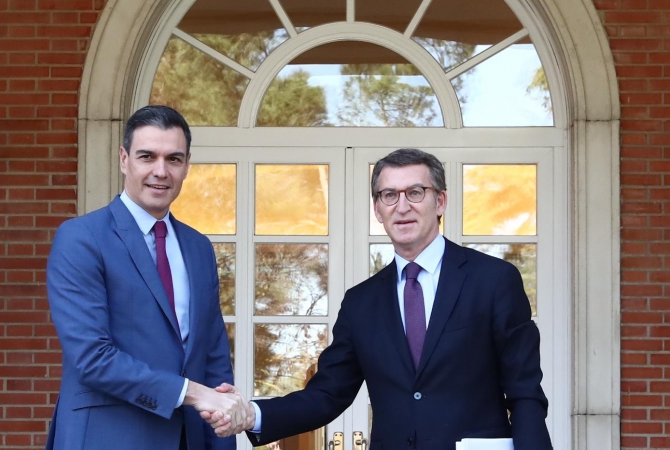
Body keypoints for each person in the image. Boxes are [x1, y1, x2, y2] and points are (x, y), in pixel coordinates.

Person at [205, 148, 552, 450]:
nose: (402, 206)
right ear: (378, 209)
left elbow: (524, 392)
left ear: (440, 200)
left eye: (415, 192)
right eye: (389, 195)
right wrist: (253, 413)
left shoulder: (493, 280)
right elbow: (327, 395)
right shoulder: (361, 303)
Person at [44, 105, 250, 450]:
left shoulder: (198, 247)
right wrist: (193, 394)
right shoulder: (81, 238)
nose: (160, 171)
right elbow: (93, 357)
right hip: (106, 438)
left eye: (173, 159)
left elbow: (213, 358)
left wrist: (222, 429)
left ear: (186, 165)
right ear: (124, 159)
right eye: (147, 156)